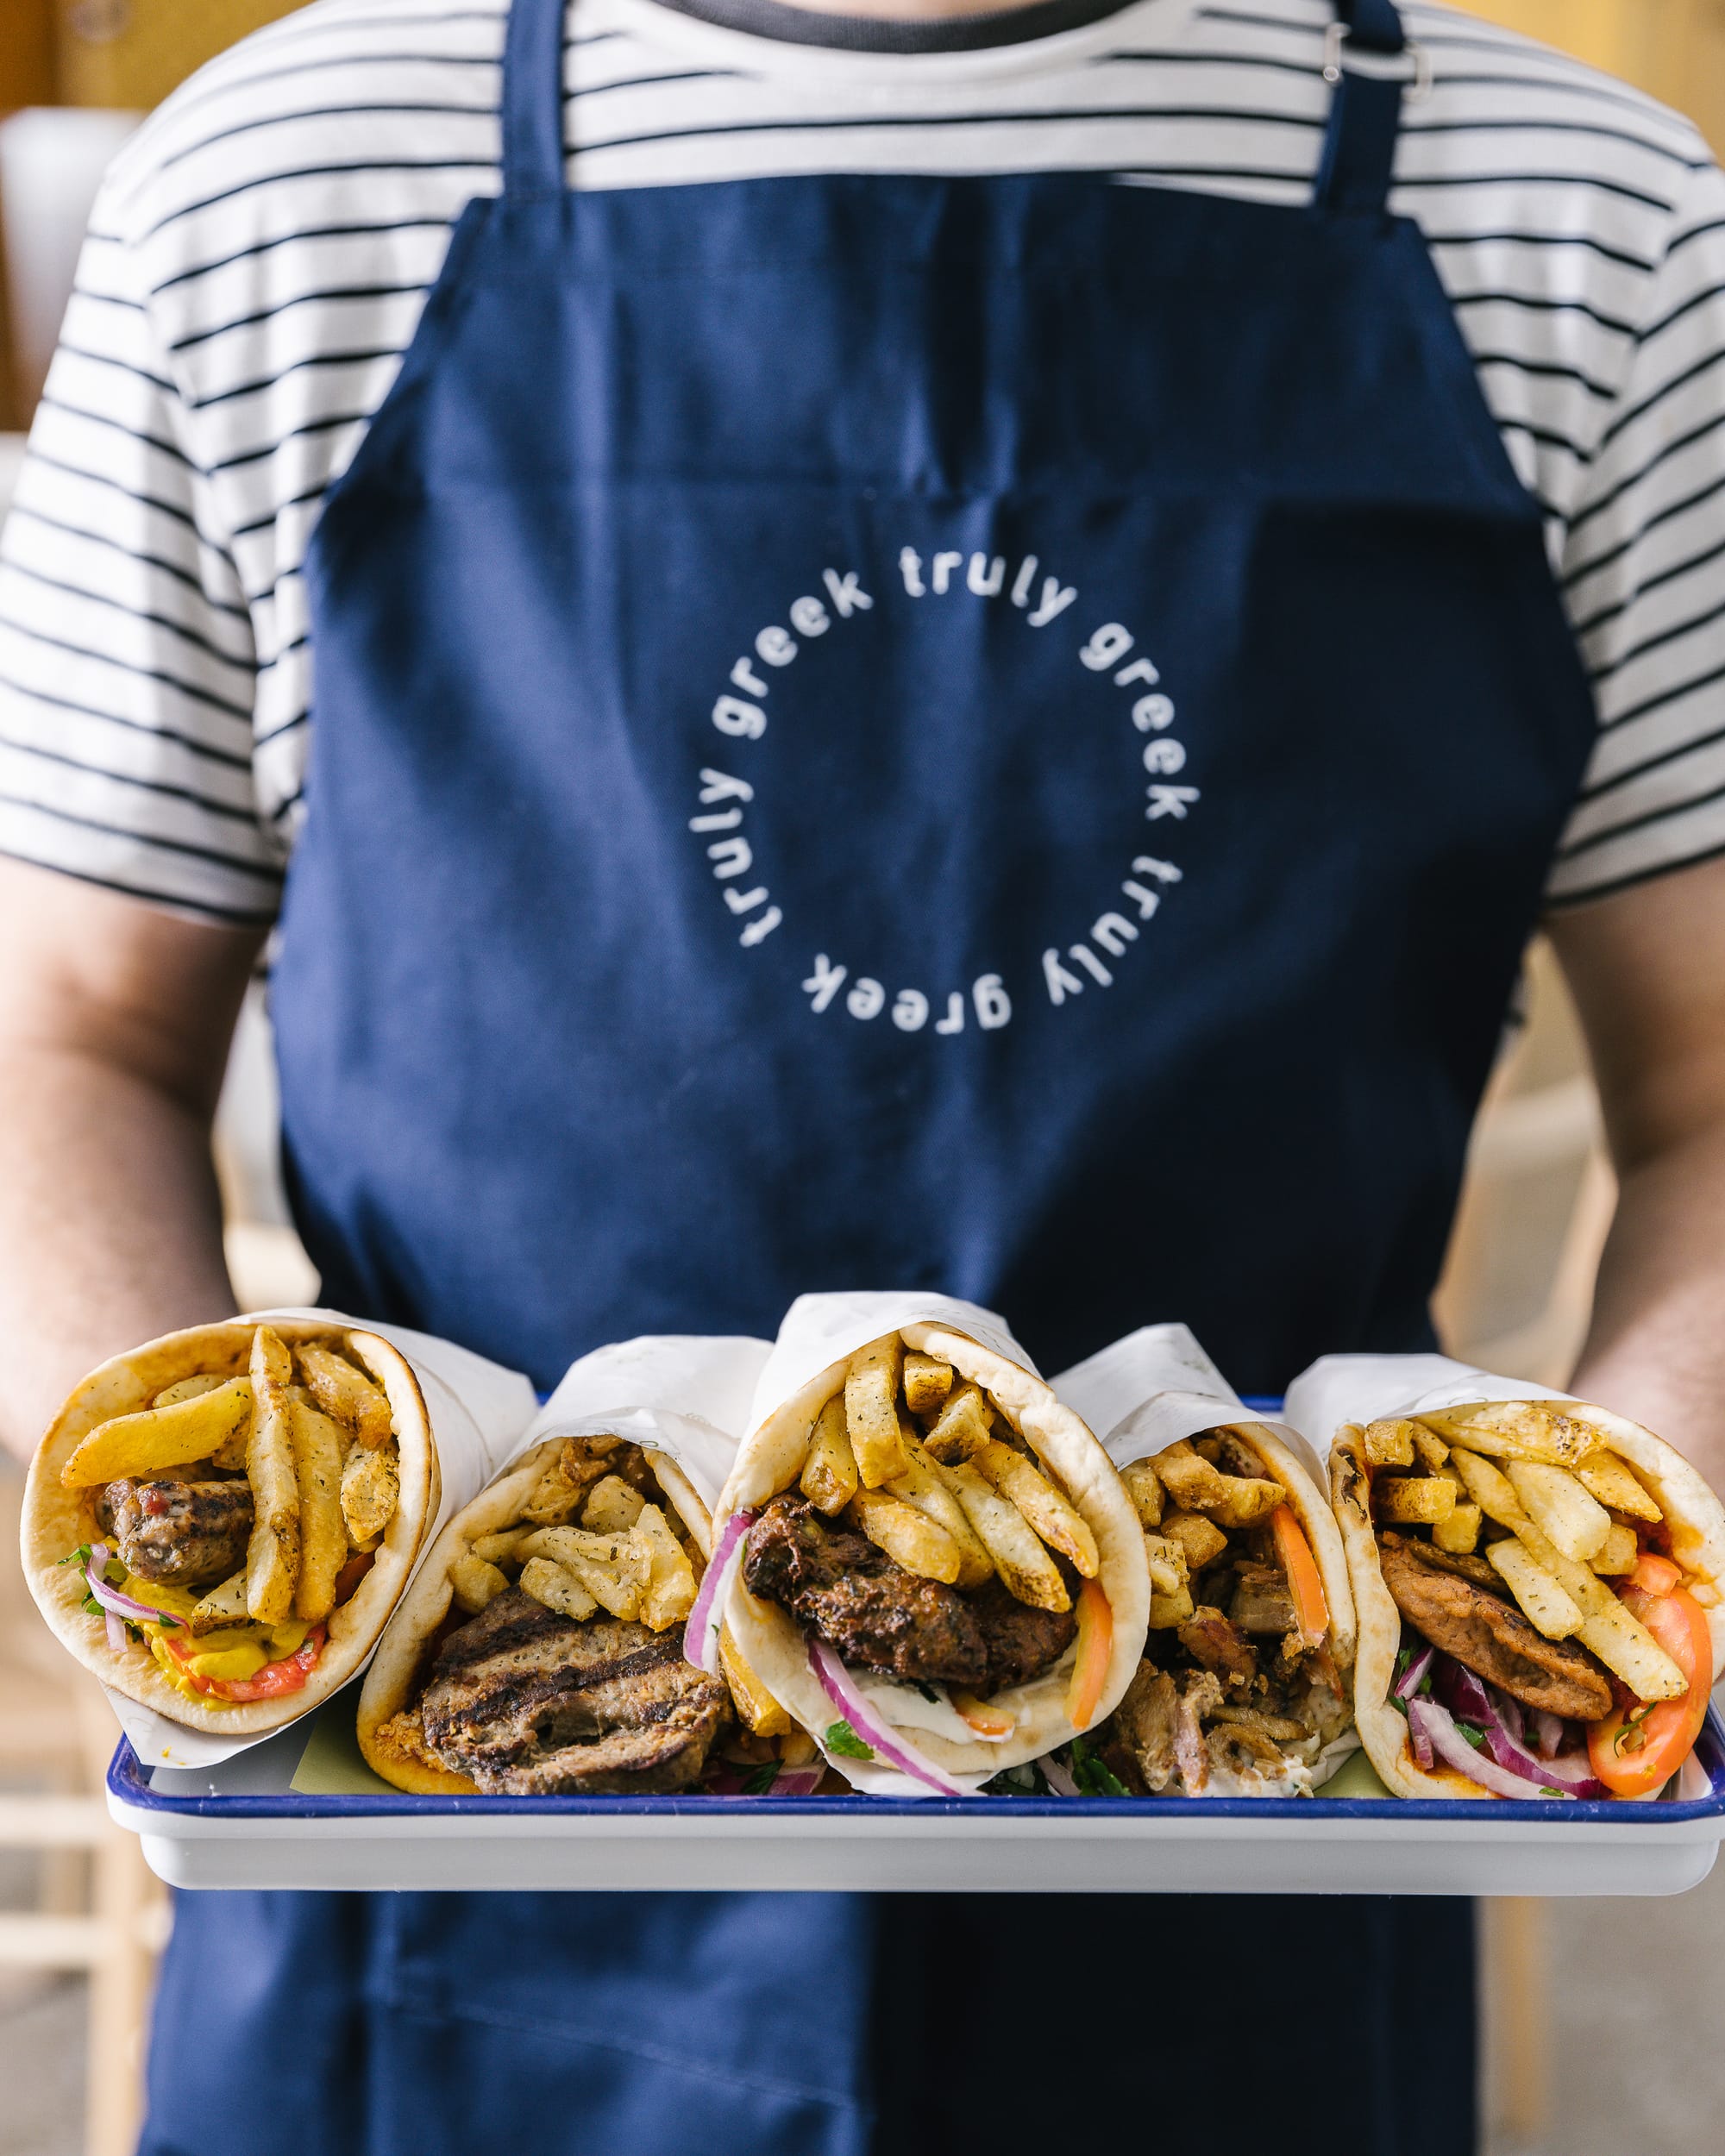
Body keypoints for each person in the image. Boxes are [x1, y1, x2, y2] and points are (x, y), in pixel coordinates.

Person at [3, 0, 1725, 2147]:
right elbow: (60, 1030)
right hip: (436, 1872)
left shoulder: (1591, 229)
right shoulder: (274, 180)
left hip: (1250, 1829)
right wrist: (230, 1618)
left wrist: (1572, 1604)